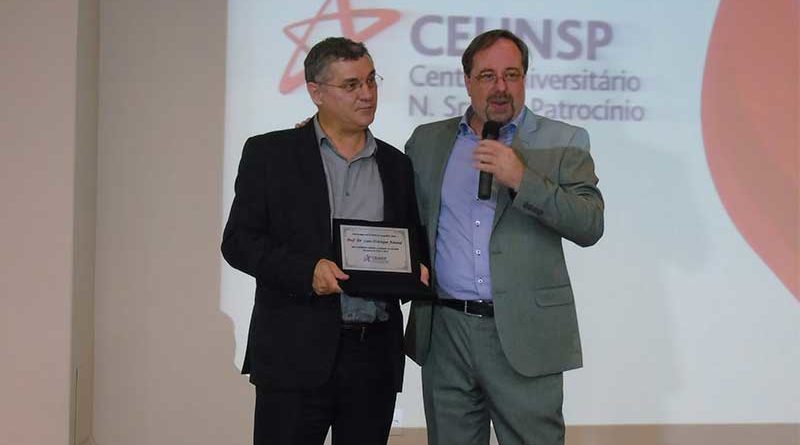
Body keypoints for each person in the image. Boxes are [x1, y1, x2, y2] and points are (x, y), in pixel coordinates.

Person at [404, 29, 605, 445]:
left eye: (511, 75)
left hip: (524, 333)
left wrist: (521, 179)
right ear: (467, 81)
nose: (500, 87)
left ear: (524, 78)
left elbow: (589, 224)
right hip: (446, 332)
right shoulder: (426, 141)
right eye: (487, 76)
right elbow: (402, 214)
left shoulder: (564, 141)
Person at [221, 37, 424, 445]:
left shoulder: (397, 165)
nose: (367, 94)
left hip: (373, 359)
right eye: (351, 85)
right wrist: (307, 272)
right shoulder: (270, 154)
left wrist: (413, 270)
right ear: (316, 92)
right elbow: (239, 242)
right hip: (293, 354)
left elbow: (408, 244)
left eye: (371, 80)